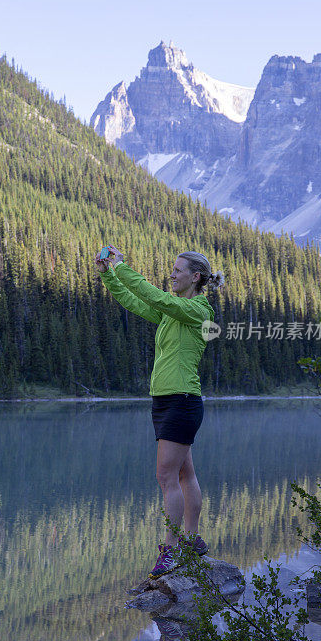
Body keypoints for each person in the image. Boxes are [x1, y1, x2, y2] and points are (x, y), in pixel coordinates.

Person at [94, 244, 225, 579]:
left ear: (195, 278)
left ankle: (170, 551)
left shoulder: (197, 309)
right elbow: (137, 302)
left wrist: (122, 266)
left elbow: (157, 297)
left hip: (181, 400)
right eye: (172, 269)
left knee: (166, 476)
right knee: (184, 475)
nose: (171, 275)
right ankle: (192, 540)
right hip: (168, 400)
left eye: (177, 271)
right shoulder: (176, 310)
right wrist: (110, 276)